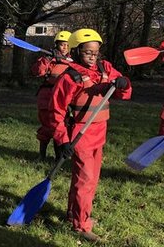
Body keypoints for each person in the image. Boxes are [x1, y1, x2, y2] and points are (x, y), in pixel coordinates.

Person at [48, 28, 132, 242]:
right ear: (76, 52)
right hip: (80, 133)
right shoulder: (70, 77)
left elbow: (125, 92)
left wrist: (123, 83)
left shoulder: (105, 68)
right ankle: (81, 225)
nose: (93, 57)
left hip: (100, 131)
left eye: (96, 53)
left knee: (91, 179)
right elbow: (56, 111)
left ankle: (74, 214)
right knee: (85, 179)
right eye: (88, 53)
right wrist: (62, 140)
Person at [30, 30, 71, 161]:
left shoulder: (73, 61)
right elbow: (37, 72)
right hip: (47, 97)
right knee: (47, 127)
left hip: (63, 98)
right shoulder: (48, 59)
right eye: (62, 44)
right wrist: (47, 59)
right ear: (56, 45)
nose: (64, 48)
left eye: (67, 45)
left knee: (61, 127)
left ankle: (59, 157)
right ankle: (41, 156)